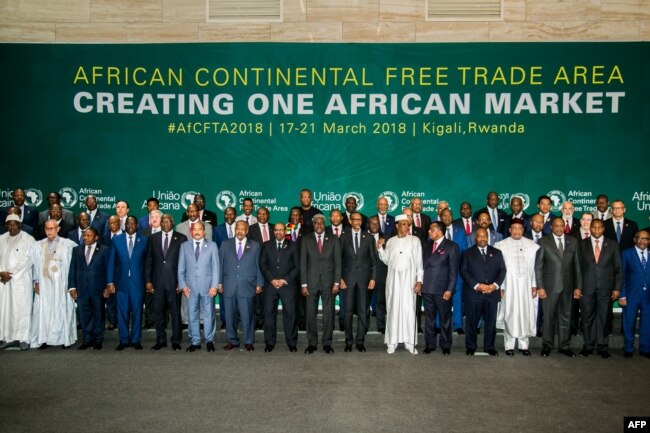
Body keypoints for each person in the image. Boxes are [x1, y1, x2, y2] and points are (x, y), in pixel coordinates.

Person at [377, 214, 423, 354]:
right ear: (397, 225)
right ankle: (392, 342)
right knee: (393, 310)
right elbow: (386, 260)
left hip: (409, 281)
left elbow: (419, 263)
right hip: (393, 281)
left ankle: (410, 342)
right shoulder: (390, 241)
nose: (406, 227)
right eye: (403, 224)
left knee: (409, 310)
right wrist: (380, 248)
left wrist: (419, 280)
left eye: (407, 224)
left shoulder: (415, 240)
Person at [536, 218, 582, 357]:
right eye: (556, 226)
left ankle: (564, 345)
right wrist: (540, 286)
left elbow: (577, 267)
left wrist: (578, 287)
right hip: (550, 287)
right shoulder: (543, 241)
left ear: (564, 227)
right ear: (551, 227)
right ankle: (547, 345)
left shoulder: (573, 241)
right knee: (548, 317)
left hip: (568, 287)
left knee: (566, 317)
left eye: (561, 225)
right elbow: (538, 266)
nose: (559, 228)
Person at [495, 218, 540, 356]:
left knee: (525, 313)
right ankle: (509, 345)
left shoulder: (531, 245)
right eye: (513, 228)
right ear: (509, 230)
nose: (516, 231)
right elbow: (499, 268)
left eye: (519, 228)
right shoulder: (501, 245)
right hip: (509, 285)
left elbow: (534, 268)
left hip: (526, 285)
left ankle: (523, 345)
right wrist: (501, 286)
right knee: (510, 312)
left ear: (523, 230)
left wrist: (534, 284)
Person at [29, 219, 77, 349]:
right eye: (47, 229)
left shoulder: (68, 245)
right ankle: (45, 338)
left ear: (58, 229)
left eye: (52, 228)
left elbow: (74, 266)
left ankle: (64, 338)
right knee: (44, 311)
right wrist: (36, 282)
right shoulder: (38, 246)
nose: (49, 231)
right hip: (44, 284)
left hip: (62, 284)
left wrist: (72, 284)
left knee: (62, 310)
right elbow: (34, 266)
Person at [577, 219, 621, 358]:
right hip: (586, 287)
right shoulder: (581, 244)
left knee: (604, 317)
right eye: (593, 228)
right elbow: (577, 268)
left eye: (599, 228)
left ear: (603, 228)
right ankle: (588, 345)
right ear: (590, 228)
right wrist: (578, 287)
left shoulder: (613, 244)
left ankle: (602, 346)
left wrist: (617, 288)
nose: (596, 230)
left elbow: (618, 268)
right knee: (587, 317)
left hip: (606, 288)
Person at [460, 227, 507, 356]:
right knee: (471, 323)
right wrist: (476, 286)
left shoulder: (497, 252)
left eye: (484, 236)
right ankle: (471, 347)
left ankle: (489, 347)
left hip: (492, 294)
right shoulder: (467, 253)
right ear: (475, 238)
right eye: (479, 236)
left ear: (488, 237)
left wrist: (495, 285)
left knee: (491, 323)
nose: (482, 239)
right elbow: (464, 272)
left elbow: (502, 270)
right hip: (473, 294)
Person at [144, 214, 187, 351]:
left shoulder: (181, 238)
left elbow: (184, 263)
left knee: (175, 313)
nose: (165, 223)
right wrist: (148, 281)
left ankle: (176, 340)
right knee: (159, 313)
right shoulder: (153, 238)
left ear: (172, 223)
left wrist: (181, 282)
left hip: (174, 283)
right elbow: (149, 260)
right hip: (157, 282)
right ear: (160, 223)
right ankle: (160, 339)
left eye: (168, 221)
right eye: (163, 221)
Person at [219, 221, 263, 352]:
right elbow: (220, 265)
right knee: (229, 316)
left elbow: (258, 265)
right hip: (229, 286)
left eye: (243, 229)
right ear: (234, 229)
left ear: (247, 231)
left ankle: (248, 341)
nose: (240, 231)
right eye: (238, 229)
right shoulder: (225, 244)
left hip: (247, 286)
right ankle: (232, 340)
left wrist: (259, 283)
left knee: (247, 316)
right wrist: (219, 282)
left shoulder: (255, 246)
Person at [106, 215, 149, 350]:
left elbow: (147, 263)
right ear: (124, 226)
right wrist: (110, 282)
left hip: (137, 284)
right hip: (121, 283)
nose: (130, 226)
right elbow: (111, 262)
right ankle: (123, 340)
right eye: (128, 224)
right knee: (122, 313)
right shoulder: (116, 240)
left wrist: (148, 281)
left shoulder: (144, 240)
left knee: (137, 313)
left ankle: (136, 340)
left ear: (137, 226)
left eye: (133, 224)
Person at [300, 214, 341, 354]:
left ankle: (327, 343)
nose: (319, 225)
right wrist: (303, 284)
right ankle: (312, 343)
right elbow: (303, 263)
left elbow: (338, 263)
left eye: (321, 223)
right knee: (310, 313)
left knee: (328, 314)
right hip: (310, 283)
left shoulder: (334, 239)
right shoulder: (306, 239)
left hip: (328, 283)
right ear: (313, 225)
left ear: (325, 224)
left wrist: (336, 282)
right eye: (316, 223)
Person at [178, 221, 220, 352]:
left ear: (204, 231)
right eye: (194, 229)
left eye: (199, 229)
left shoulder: (212, 246)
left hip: (207, 287)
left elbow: (215, 268)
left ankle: (209, 340)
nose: (196, 232)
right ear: (191, 232)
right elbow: (180, 268)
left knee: (208, 314)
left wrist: (214, 286)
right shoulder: (184, 246)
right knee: (192, 314)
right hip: (190, 288)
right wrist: (183, 285)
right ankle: (195, 341)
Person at [260, 222, 299, 352]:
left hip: (288, 286)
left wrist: (284, 280)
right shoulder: (266, 245)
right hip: (271, 286)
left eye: (281, 230)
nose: (279, 232)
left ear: (285, 231)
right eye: (276, 230)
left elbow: (297, 266)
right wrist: (271, 279)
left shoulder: (293, 246)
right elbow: (263, 265)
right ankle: (270, 342)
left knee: (290, 314)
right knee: (269, 314)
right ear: (273, 231)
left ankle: (292, 343)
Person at [340, 212, 376, 352]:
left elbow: (373, 261)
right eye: (355, 219)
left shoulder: (368, 237)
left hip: (364, 280)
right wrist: (339, 278)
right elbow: (339, 260)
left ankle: (360, 341)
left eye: (359, 220)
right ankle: (348, 341)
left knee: (363, 311)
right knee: (347, 311)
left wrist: (373, 278)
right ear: (350, 221)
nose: (357, 222)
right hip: (347, 280)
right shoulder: (343, 237)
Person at [68, 228, 109, 350]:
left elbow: (108, 270)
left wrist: (107, 287)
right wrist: (72, 287)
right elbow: (72, 269)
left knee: (98, 315)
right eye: (84, 235)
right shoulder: (76, 250)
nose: (86, 238)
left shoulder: (104, 250)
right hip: (82, 289)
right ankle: (87, 340)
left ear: (96, 237)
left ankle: (98, 340)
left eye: (89, 235)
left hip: (98, 289)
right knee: (84, 316)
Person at [421, 221, 458, 355]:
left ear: (440, 231)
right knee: (429, 319)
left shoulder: (451, 246)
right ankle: (429, 345)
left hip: (443, 290)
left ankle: (445, 345)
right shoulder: (426, 245)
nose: (429, 232)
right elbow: (422, 267)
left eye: (431, 230)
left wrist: (450, 289)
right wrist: (420, 283)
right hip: (427, 288)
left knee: (445, 319)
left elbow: (454, 271)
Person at [0, 215, 36, 350]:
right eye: (9, 224)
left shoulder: (28, 239)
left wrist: (11, 274)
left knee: (22, 310)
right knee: (5, 310)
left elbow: (29, 260)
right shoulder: (1, 238)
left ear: (20, 225)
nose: (12, 227)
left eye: (14, 224)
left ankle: (23, 338)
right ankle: (7, 337)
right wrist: (1, 272)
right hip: (3, 282)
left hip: (20, 281)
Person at [619, 230, 650, 358]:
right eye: (640, 238)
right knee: (629, 322)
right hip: (631, 295)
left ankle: (645, 348)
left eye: (646, 239)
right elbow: (622, 276)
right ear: (635, 239)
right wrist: (622, 294)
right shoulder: (627, 254)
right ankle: (628, 348)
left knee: (647, 323)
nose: (643, 241)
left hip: (648, 296)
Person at [248, 207, 272, 330]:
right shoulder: (251, 229)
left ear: (268, 215)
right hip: (256, 265)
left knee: (268, 296)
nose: (262, 216)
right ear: (256, 216)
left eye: (264, 214)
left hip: (272, 267)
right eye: (259, 214)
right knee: (257, 296)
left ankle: (266, 319)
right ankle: (257, 319)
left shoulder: (274, 228)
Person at [367, 216, 390, 333]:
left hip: (382, 274)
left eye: (377, 223)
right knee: (365, 303)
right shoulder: (363, 236)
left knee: (381, 301)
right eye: (372, 223)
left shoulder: (387, 238)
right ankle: (364, 326)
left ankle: (381, 326)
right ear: (368, 225)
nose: (375, 225)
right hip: (366, 275)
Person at [326, 209, 346, 331]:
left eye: (337, 216)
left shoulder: (348, 231)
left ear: (341, 218)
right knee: (329, 303)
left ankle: (343, 324)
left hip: (345, 273)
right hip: (328, 273)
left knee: (344, 302)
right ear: (329, 218)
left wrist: (342, 276)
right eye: (333, 216)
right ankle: (329, 325)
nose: (335, 218)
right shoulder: (325, 231)